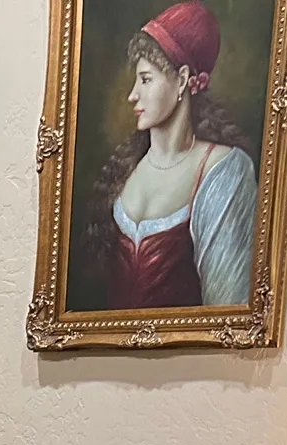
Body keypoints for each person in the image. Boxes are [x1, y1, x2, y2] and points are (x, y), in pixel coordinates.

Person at [88, 1, 257, 309]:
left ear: (181, 80)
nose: (132, 95)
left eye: (146, 79)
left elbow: (227, 309)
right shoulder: (127, 170)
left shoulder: (223, 170)